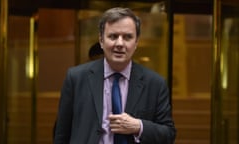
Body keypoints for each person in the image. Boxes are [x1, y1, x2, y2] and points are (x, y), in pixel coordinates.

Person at [54, 7, 176, 144]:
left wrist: (139, 126)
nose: (119, 43)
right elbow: (61, 134)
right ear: (101, 40)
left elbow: (168, 134)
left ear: (136, 42)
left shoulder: (155, 84)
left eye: (127, 37)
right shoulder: (76, 78)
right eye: (113, 36)